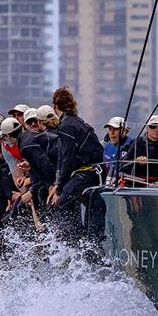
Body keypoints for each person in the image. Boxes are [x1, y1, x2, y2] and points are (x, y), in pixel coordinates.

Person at [47, 87, 104, 241]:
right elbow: (62, 157)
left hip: (89, 173)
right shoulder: (71, 122)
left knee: (60, 203)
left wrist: (58, 189)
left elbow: (67, 158)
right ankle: (77, 239)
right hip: (87, 172)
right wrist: (57, 184)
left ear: (54, 105)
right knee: (67, 199)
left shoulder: (68, 126)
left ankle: (74, 243)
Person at [102, 116, 131, 183]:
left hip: (127, 185)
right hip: (109, 184)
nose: (112, 133)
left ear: (125, 131)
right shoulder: (107, 147)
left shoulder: (132, 145)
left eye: (115, 129)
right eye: (110, 129)